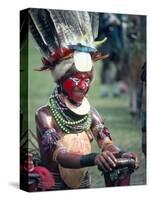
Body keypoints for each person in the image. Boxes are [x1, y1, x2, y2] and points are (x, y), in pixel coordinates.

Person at [29, 9, 139, 190]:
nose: (83, 85)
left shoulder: (90, 112)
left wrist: (122, 153)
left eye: (87, 79)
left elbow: (107, 144)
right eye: (76, 79)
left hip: (84, 187)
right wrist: (94, 158)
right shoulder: (45, 115)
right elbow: (61, 155)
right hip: (54, 188)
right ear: (62, 79)